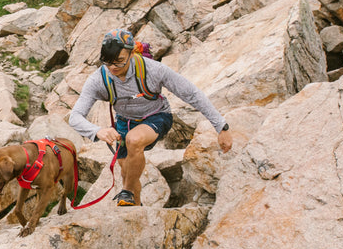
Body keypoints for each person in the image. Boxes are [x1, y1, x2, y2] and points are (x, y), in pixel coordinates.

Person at [68, 28, 232, 207]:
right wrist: (97, 131)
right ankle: (136, 209)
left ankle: (128, 191)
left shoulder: (153, 70)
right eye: (108, 63)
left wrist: (221, 127)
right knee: (126, 171)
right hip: (125, 122)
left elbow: (191, 94)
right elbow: (75, 116)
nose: (113, 67)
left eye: (119, 61)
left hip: (157, 116)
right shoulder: (98, 79)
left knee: (134, 139)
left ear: (131, 53)